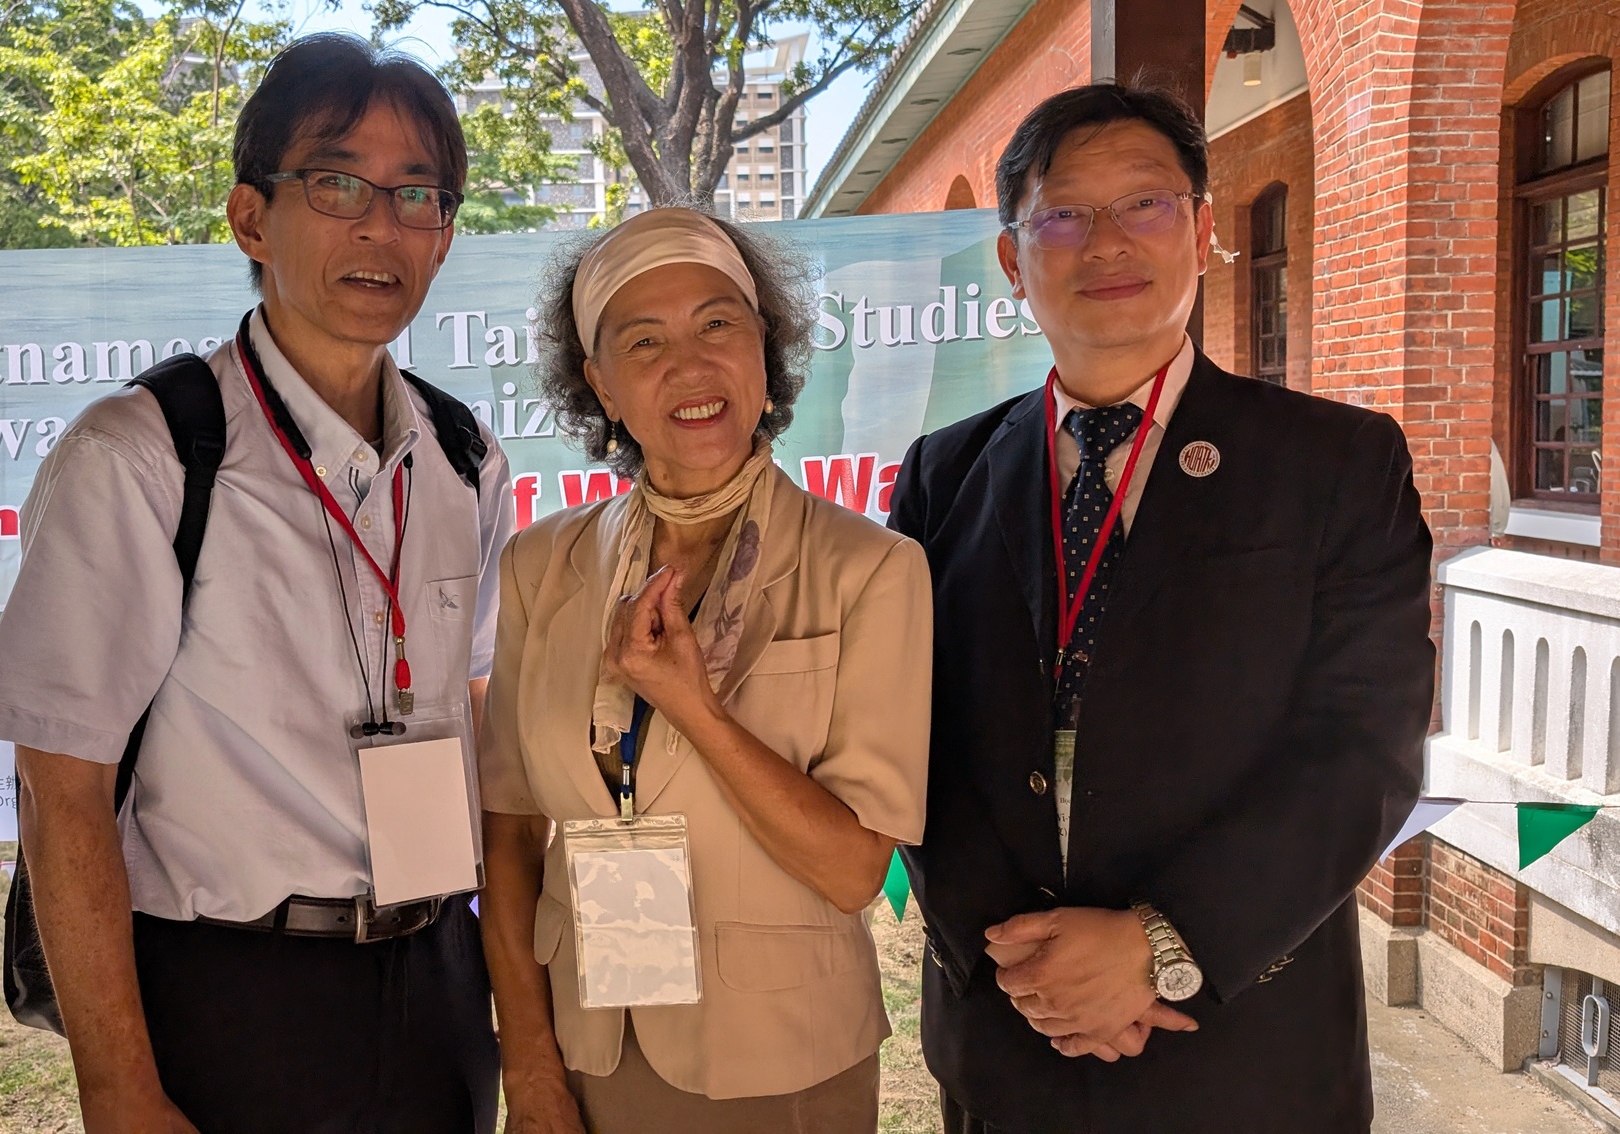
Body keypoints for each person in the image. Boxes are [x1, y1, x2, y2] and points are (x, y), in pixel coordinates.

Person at [0, 33, 509, 1133]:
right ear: (251, 218)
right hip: (228, 994)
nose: (381, 227)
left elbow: (480, 715)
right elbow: (60, 787)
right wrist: (120, 1090)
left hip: (438, 983)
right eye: (338, 183)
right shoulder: (148, 452)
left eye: (418, 195)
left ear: (446, 236)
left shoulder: (464, 457)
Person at [888, 83, 1435, 1133]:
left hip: (1242, 1045)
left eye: (1145, 203)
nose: (1106, 243)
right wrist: (1032, 970)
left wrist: (1160, 944)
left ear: (1203, 229)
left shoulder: (1333, 463)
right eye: (1063, 214)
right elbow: (907, 737)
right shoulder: (942, 475)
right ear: (1012, 260)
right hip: (1009, 1036)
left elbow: (1362, 749)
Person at [476, 206, 932, 1134]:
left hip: (780, 1057)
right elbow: (513, 833)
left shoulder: (870, 569)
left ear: (766, 348)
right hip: (589, 1043)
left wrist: (697, 710)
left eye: (718, 323)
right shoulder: (540, 567)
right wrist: (528, 1064)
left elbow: (853, 870)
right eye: (644, 341)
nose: (689, 365)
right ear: (601, 386)